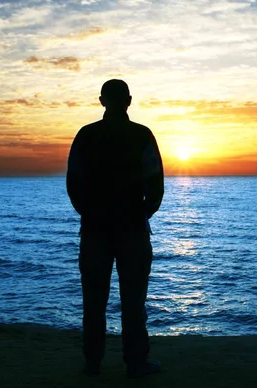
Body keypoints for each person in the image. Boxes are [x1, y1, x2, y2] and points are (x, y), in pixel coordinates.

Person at [66, 79, 164, 378]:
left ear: (101, 100)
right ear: (129, 100)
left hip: (95, 229)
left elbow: (74, 182)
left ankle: (92, 363)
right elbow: (156, 184)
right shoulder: (141, 134)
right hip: (132, 228)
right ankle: (135, 363)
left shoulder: (87, 135)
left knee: (93, 300)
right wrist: (141, 213)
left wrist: (91, 214)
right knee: (134, 300)